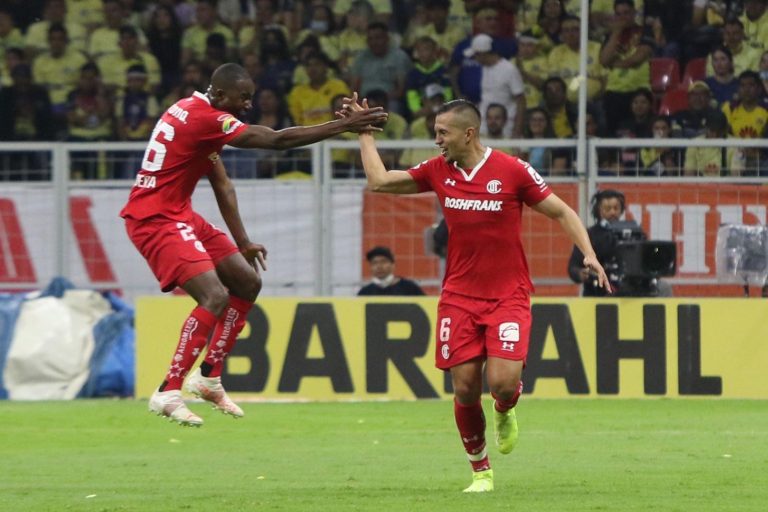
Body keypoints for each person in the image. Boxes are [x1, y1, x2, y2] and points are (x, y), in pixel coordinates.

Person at [346, 97, 609, 492]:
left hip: (508, 294)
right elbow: (380, 182)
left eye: (442, 133)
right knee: (465, 387)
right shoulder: (438, 170)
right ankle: (481, 471)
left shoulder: (513, 170)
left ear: (468, 133)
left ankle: (506, 406)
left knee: (501, 384)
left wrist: (588, 254)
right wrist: (364, 134)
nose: (436, 140)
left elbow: (562, 212)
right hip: (459, 296)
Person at [120, 63, 387, 427]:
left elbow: (223, 185)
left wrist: (242, 242)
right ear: (219, 94)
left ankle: (209, 376)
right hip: (155, 219)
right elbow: (275, 140)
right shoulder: (206, 118)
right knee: (214, 296)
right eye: (242, 97)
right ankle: (168, 390)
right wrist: (343, 126)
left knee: (247, 282)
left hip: (178, 212)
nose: (248, 104)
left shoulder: (188, 110)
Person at [357, 246, 426, 296]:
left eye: (383, 262)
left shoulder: (409, 288)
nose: (379, 266)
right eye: (374, 263)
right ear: (370, 267)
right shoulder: (365, 292)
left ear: (393, 265)